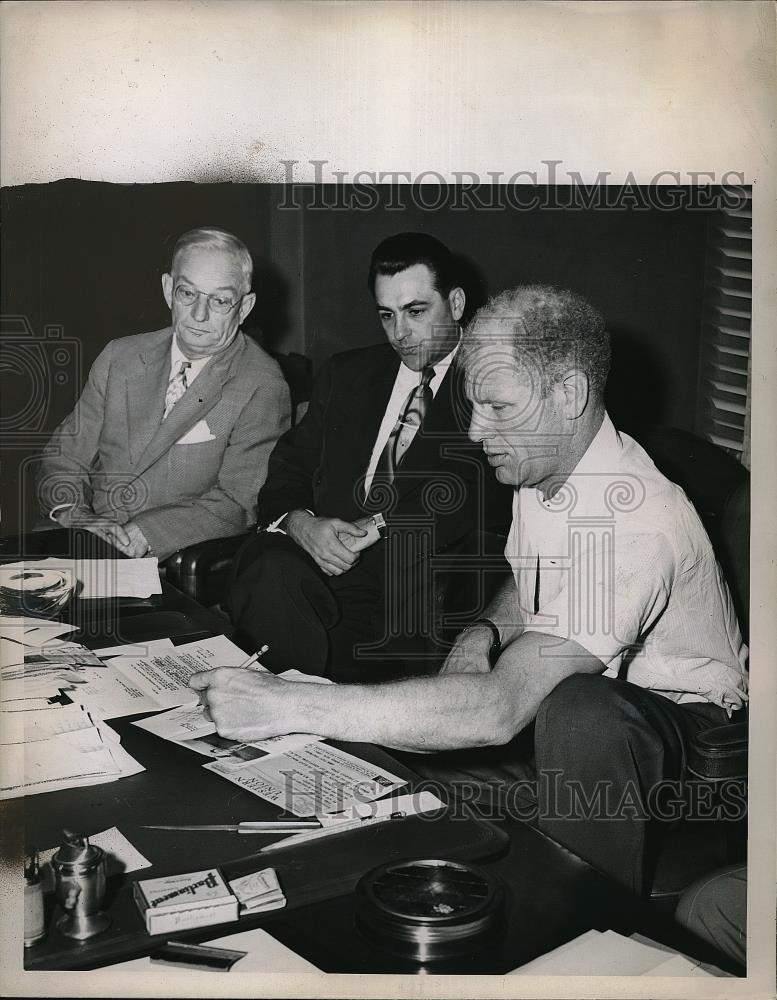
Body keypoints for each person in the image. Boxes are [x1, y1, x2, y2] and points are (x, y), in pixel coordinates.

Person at [191, 284, 748, 894]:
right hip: (569, 712)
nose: (477, 431)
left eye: (499, 408)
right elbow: (527, 571)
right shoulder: (549, 462)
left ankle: (586, 924)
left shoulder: (630, 518)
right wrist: (482, 633)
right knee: (383, 797)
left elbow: (503, 706)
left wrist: (286, 704)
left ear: (570, 394)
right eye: (473, 405)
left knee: (579, 710)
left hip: (683, 744)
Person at [226, 232, 511, 681]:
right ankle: (292, 706)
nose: (401, 332)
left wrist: (378, 527)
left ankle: (297, 706)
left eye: (416, 312)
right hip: (316, 567)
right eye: (387, 315)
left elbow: (487, 499)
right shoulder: (347, 374)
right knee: (266, 565)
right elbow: (288, 468)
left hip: (407, 577)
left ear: (455, 304)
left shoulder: (492, 384)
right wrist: (302, 524)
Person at [37, 227, 291, 560]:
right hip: (82, 540)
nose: (199, 315)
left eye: (220, 300)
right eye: (188, 294)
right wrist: (77, 515)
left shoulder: (262, 384)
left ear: (244, 308)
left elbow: (239, 501)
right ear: (169, 289)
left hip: (169, 561)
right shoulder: (120, 357)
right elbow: (64, 456)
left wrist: (145, 534)